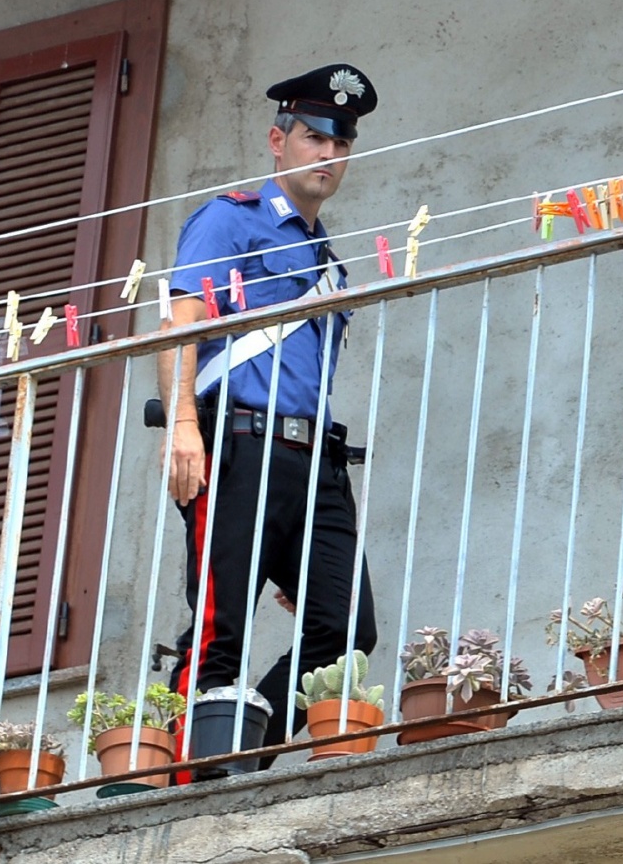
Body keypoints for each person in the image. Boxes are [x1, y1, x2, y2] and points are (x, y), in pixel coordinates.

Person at [158, 63, 380, 770]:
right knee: (221, 625)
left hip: (313, 461)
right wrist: (184, 428)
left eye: (340, 145)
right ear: (277, 140)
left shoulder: (328, 259)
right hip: (239, 446)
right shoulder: (230, 217)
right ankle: (189, 767)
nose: (328, 155)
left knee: (345, 629)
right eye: (315, 138)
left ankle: (243, 751)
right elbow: (180, 323)